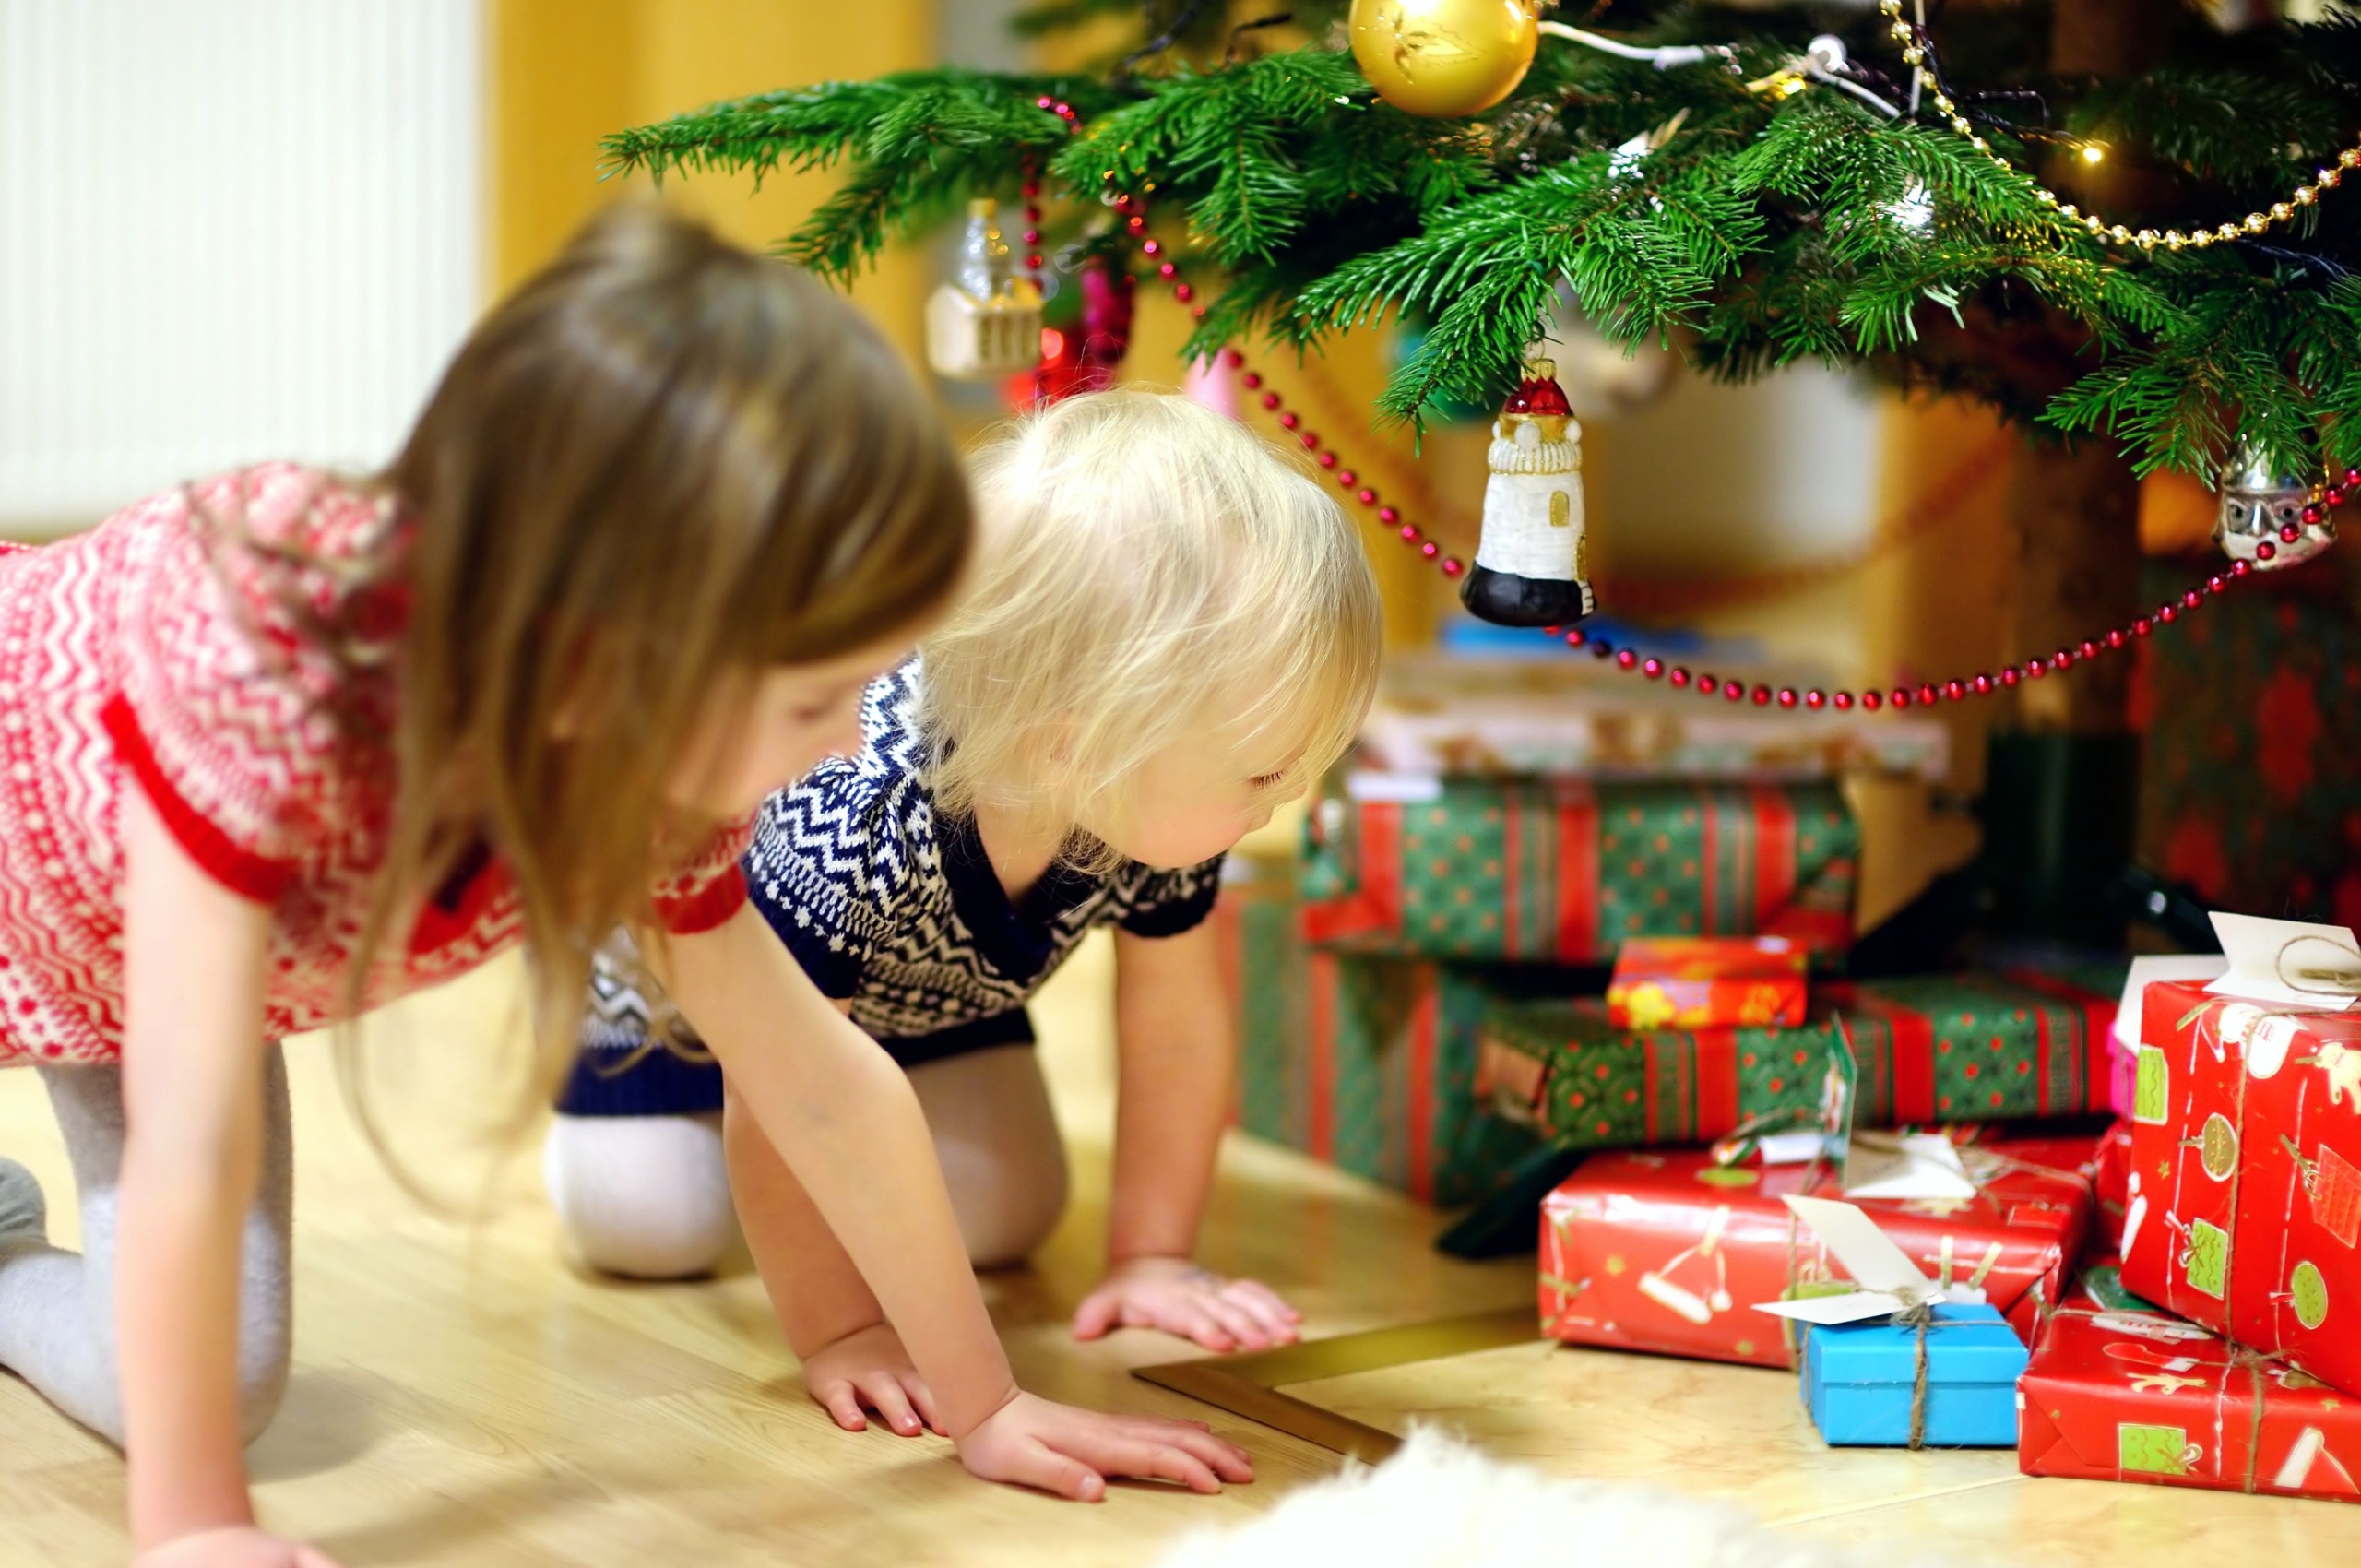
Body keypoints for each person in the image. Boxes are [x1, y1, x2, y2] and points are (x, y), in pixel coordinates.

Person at [0, 208, 1246, 1568]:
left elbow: (818, 1083)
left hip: (119, 975)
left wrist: (986, 1403)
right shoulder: (261, 683)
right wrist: (192, 1531)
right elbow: (191, 1131)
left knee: (216, 1380)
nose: (850, 743)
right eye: (821, 697)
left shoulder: (653, 777)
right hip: (56, 871)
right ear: (618, 654)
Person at [542, 388, 1383, 1431]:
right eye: (1263, 770)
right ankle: (633, 1120)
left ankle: (841, 1191)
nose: (1288, 794)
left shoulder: (1149, 807)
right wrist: (842, 1326)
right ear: (1077, 744)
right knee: (651, 1223)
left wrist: (1151, 1252)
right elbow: (787, 1086)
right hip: (706, 1022)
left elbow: (1173, 1028)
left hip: (925, 1013)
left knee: (1008, 1209)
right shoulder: (858, 807)